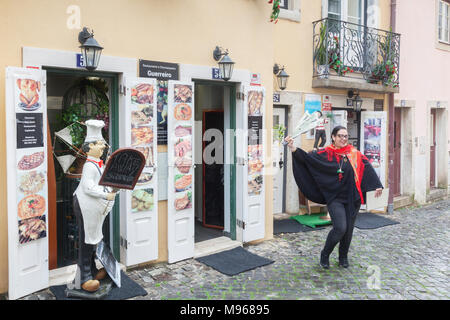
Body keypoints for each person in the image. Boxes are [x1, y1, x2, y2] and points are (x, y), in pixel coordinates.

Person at [285, 126, 383, 269]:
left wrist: (377, 185)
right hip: (335, 198)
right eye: (340, 136)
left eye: (345, 136)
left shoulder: (354, 153)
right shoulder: (325, 153)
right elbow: (307, 159)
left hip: (352, 198)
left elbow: (366, 168)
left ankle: (343, 257)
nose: (343, 139)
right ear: (333, 137)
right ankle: (325, 254)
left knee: (348, 230)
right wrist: (293, 147)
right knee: (340, 228)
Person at [73, 120, 117, 292]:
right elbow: (88, 188)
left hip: (92, 208)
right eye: (99, 144)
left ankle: (91, 271)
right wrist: (106, 194)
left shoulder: (98, 164)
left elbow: (103, 182)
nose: (103, 147)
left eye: (102, 144)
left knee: (92, 239)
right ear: (89, 147)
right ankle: (84, 278)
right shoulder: (89, 166)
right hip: (85, 206)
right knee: (86, 240)